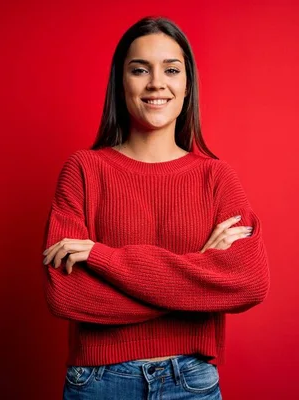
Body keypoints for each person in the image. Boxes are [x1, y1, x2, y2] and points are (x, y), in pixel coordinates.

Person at [41, 15, 270, 399]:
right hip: (99, 384)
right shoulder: (83, 169)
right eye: (139, 69)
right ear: (121, 83)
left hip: (190, 383)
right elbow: (65, 294)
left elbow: (250, 282)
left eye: (171, 69)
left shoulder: (216, 177)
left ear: (186, 86)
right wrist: (198, 274)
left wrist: (103, 259)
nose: (156, 83)